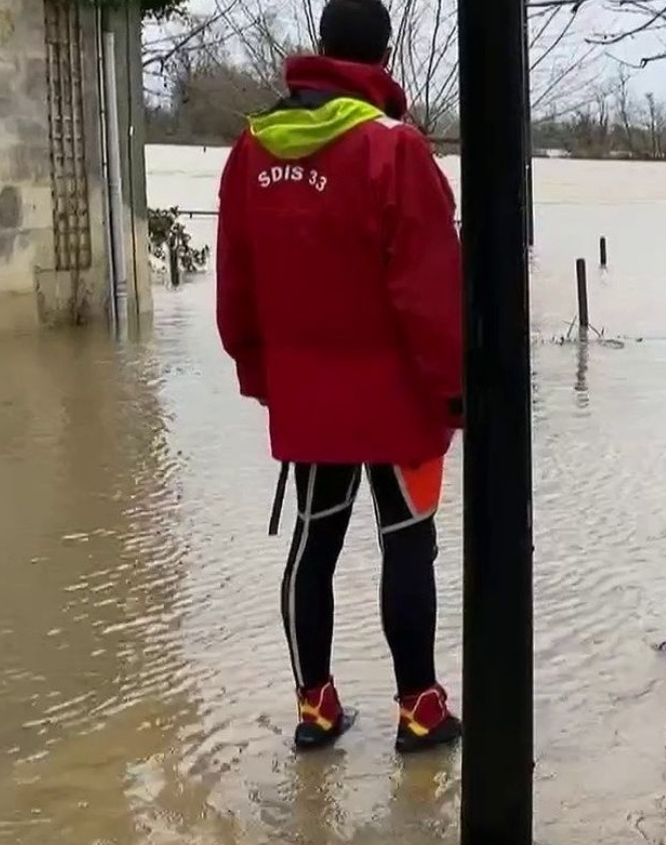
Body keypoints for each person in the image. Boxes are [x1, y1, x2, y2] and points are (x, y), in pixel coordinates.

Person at [216, 0, 464, 753]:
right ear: (382, 58)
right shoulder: (393, 147)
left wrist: (260, 373)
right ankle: (419, 710)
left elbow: (236, 282)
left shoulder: (250, 147)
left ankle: (315, 709)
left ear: (321, 47)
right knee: (407, 538)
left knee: (312, 540)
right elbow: (427, 289)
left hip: (304, 389)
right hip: (393, 392)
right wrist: (453, 391)